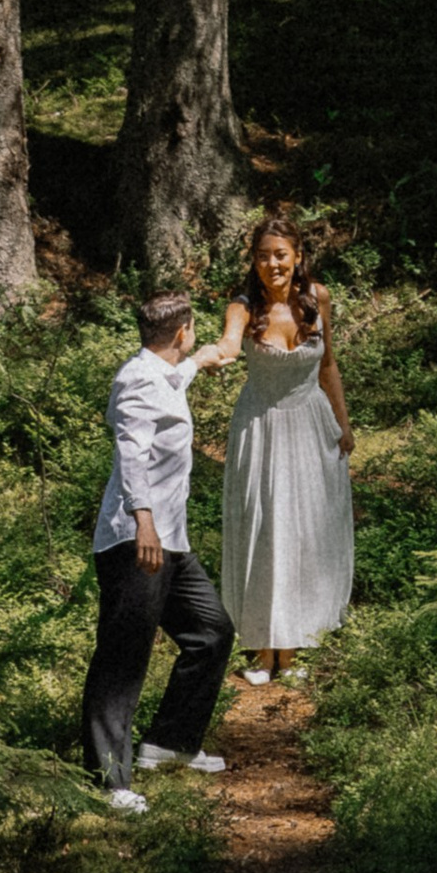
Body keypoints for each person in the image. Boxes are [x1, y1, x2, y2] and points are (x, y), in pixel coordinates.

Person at [82, 285, 237, 812]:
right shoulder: (137, 383)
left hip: (170, 541)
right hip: (136, 541)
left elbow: (180, 374)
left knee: (211, 632)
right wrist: (142, 522)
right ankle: (109, 783)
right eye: (192, 332)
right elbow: (131, 454)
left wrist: (206, 357)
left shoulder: (163, 372)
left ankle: (168, 743)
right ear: (180, 331)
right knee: (122, 659)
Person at [219, 214, 354, 684]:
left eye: (280, 254)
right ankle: (262, 651)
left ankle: (294, 648)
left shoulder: (318, 298)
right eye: (262, 256)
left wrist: (343, 424)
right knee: (265, 529)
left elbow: (329, 365)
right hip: (261, 426)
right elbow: (229, 346)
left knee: (305, 532)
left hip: (311, 422)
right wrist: (203, 359)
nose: (272, 264)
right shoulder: (241, 306)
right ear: (253, 261)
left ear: (297, 256)